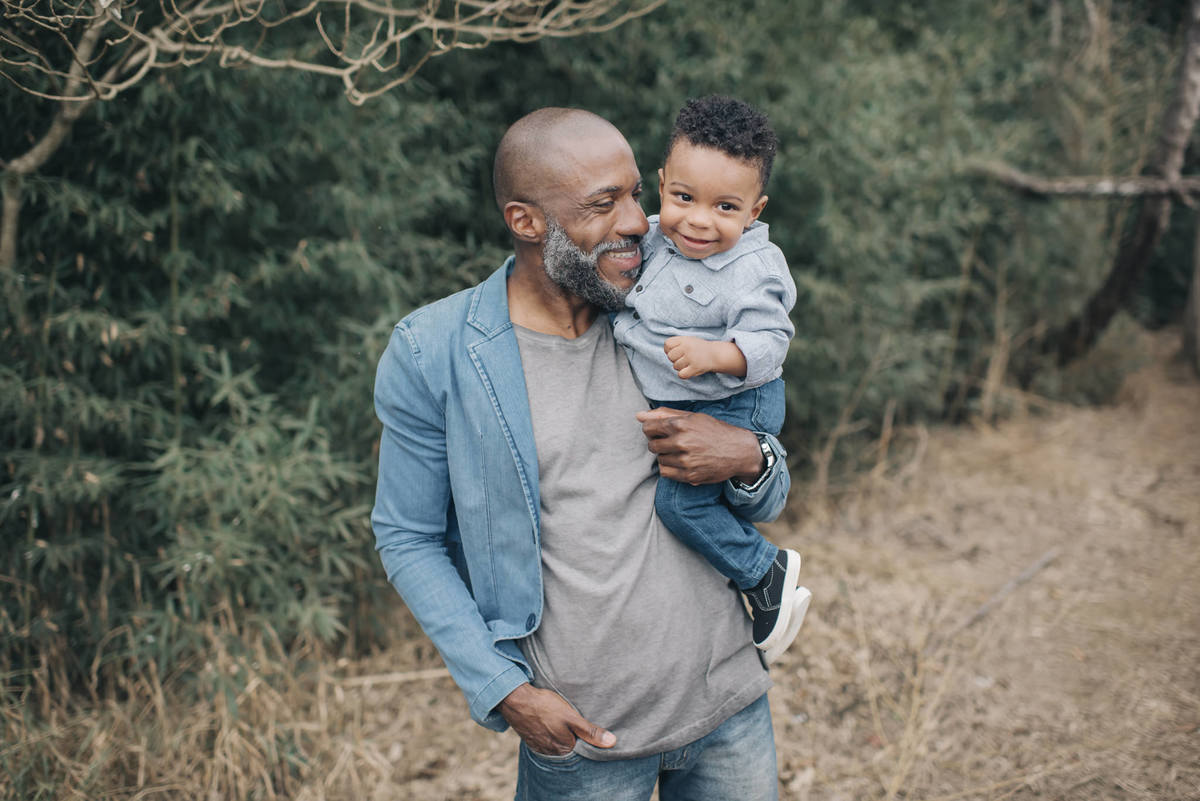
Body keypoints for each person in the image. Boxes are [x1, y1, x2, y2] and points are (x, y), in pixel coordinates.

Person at [371, 107, 792, 801]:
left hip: (728, 706)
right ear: (526, 220)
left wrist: (749, 457)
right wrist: (505, 688)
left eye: (636, 193)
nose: (637, 222)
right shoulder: (434, 351)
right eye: (604, 204)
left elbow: (770, 488)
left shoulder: (673, 299)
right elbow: (407, 535)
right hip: (586, 739)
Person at [613, 95, 810, 663]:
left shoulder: (755, 267)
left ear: (755, 210)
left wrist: (717, 354)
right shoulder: (653, 237)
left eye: (725, 207)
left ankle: (765, 572)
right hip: (690, 398)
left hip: (735, 401)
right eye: (684, 198)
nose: (699, 220)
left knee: (682, 505)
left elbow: (771, 345)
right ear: (662, 185)